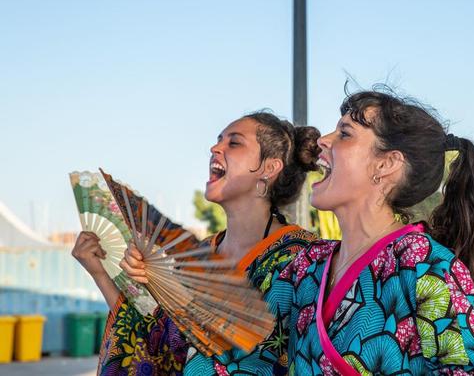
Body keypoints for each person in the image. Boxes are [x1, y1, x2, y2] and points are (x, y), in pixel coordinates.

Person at [261, 88, 474, 375]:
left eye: (345, 134)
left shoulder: (424, 265)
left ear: (386, 164)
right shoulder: (308, 266)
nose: (323, 140)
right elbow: (239, 344)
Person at [71, 111, 321, 375]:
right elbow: (154, 349)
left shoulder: (303, 259)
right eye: (218, 140)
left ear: (269, 168)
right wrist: (100, 272)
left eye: (234, 143)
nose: (215, 148)